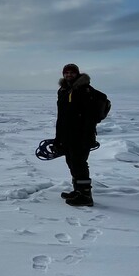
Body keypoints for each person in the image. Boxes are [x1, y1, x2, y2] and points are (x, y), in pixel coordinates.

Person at [55, 63, 97, 206]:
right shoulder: (63, 90)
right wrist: (58, 138)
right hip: (67, 135)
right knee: (71, 162)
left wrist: (86, 136)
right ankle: (78, 191)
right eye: (66, 73)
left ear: (77, 74)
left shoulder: (84, 90)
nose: (69, 75)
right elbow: (62, 117)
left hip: (81, 135)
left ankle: (86, 196)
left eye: (72, 72)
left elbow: (90, 117)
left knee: (79, 163)